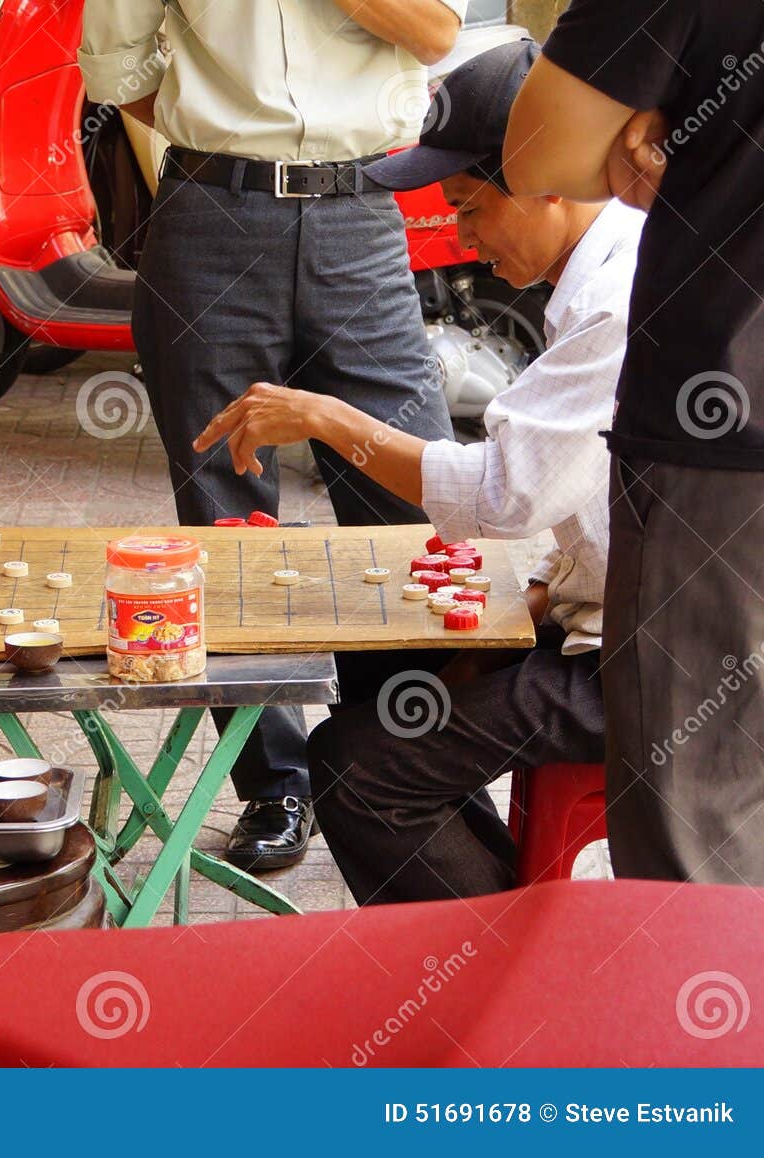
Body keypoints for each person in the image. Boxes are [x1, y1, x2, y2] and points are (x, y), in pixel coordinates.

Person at [193, 41, 640, 903]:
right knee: (394, 679)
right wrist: (540, 600)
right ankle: (516, 912)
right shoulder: (602, 275)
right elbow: (595, 493)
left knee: (356, 769)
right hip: (614, 619)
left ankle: (497, 975)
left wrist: (329, 417)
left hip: (648, 668)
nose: (464, 240)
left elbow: (506, 498)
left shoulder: (612, 306)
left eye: (472, 207)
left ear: (548, 181)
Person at [79, 0, 463, 871]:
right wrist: (224, 138)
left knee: (410, 509)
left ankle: (394, 759)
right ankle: (274, 783)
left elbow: (438, 31)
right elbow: (115, 66)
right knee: (224, 515)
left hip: (362, 211)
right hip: (212, 211)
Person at [502, 3, 764, 884]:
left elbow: (541, 159)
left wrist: (674, 133)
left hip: (722, 443)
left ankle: (712, 1018)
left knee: (699, 834)